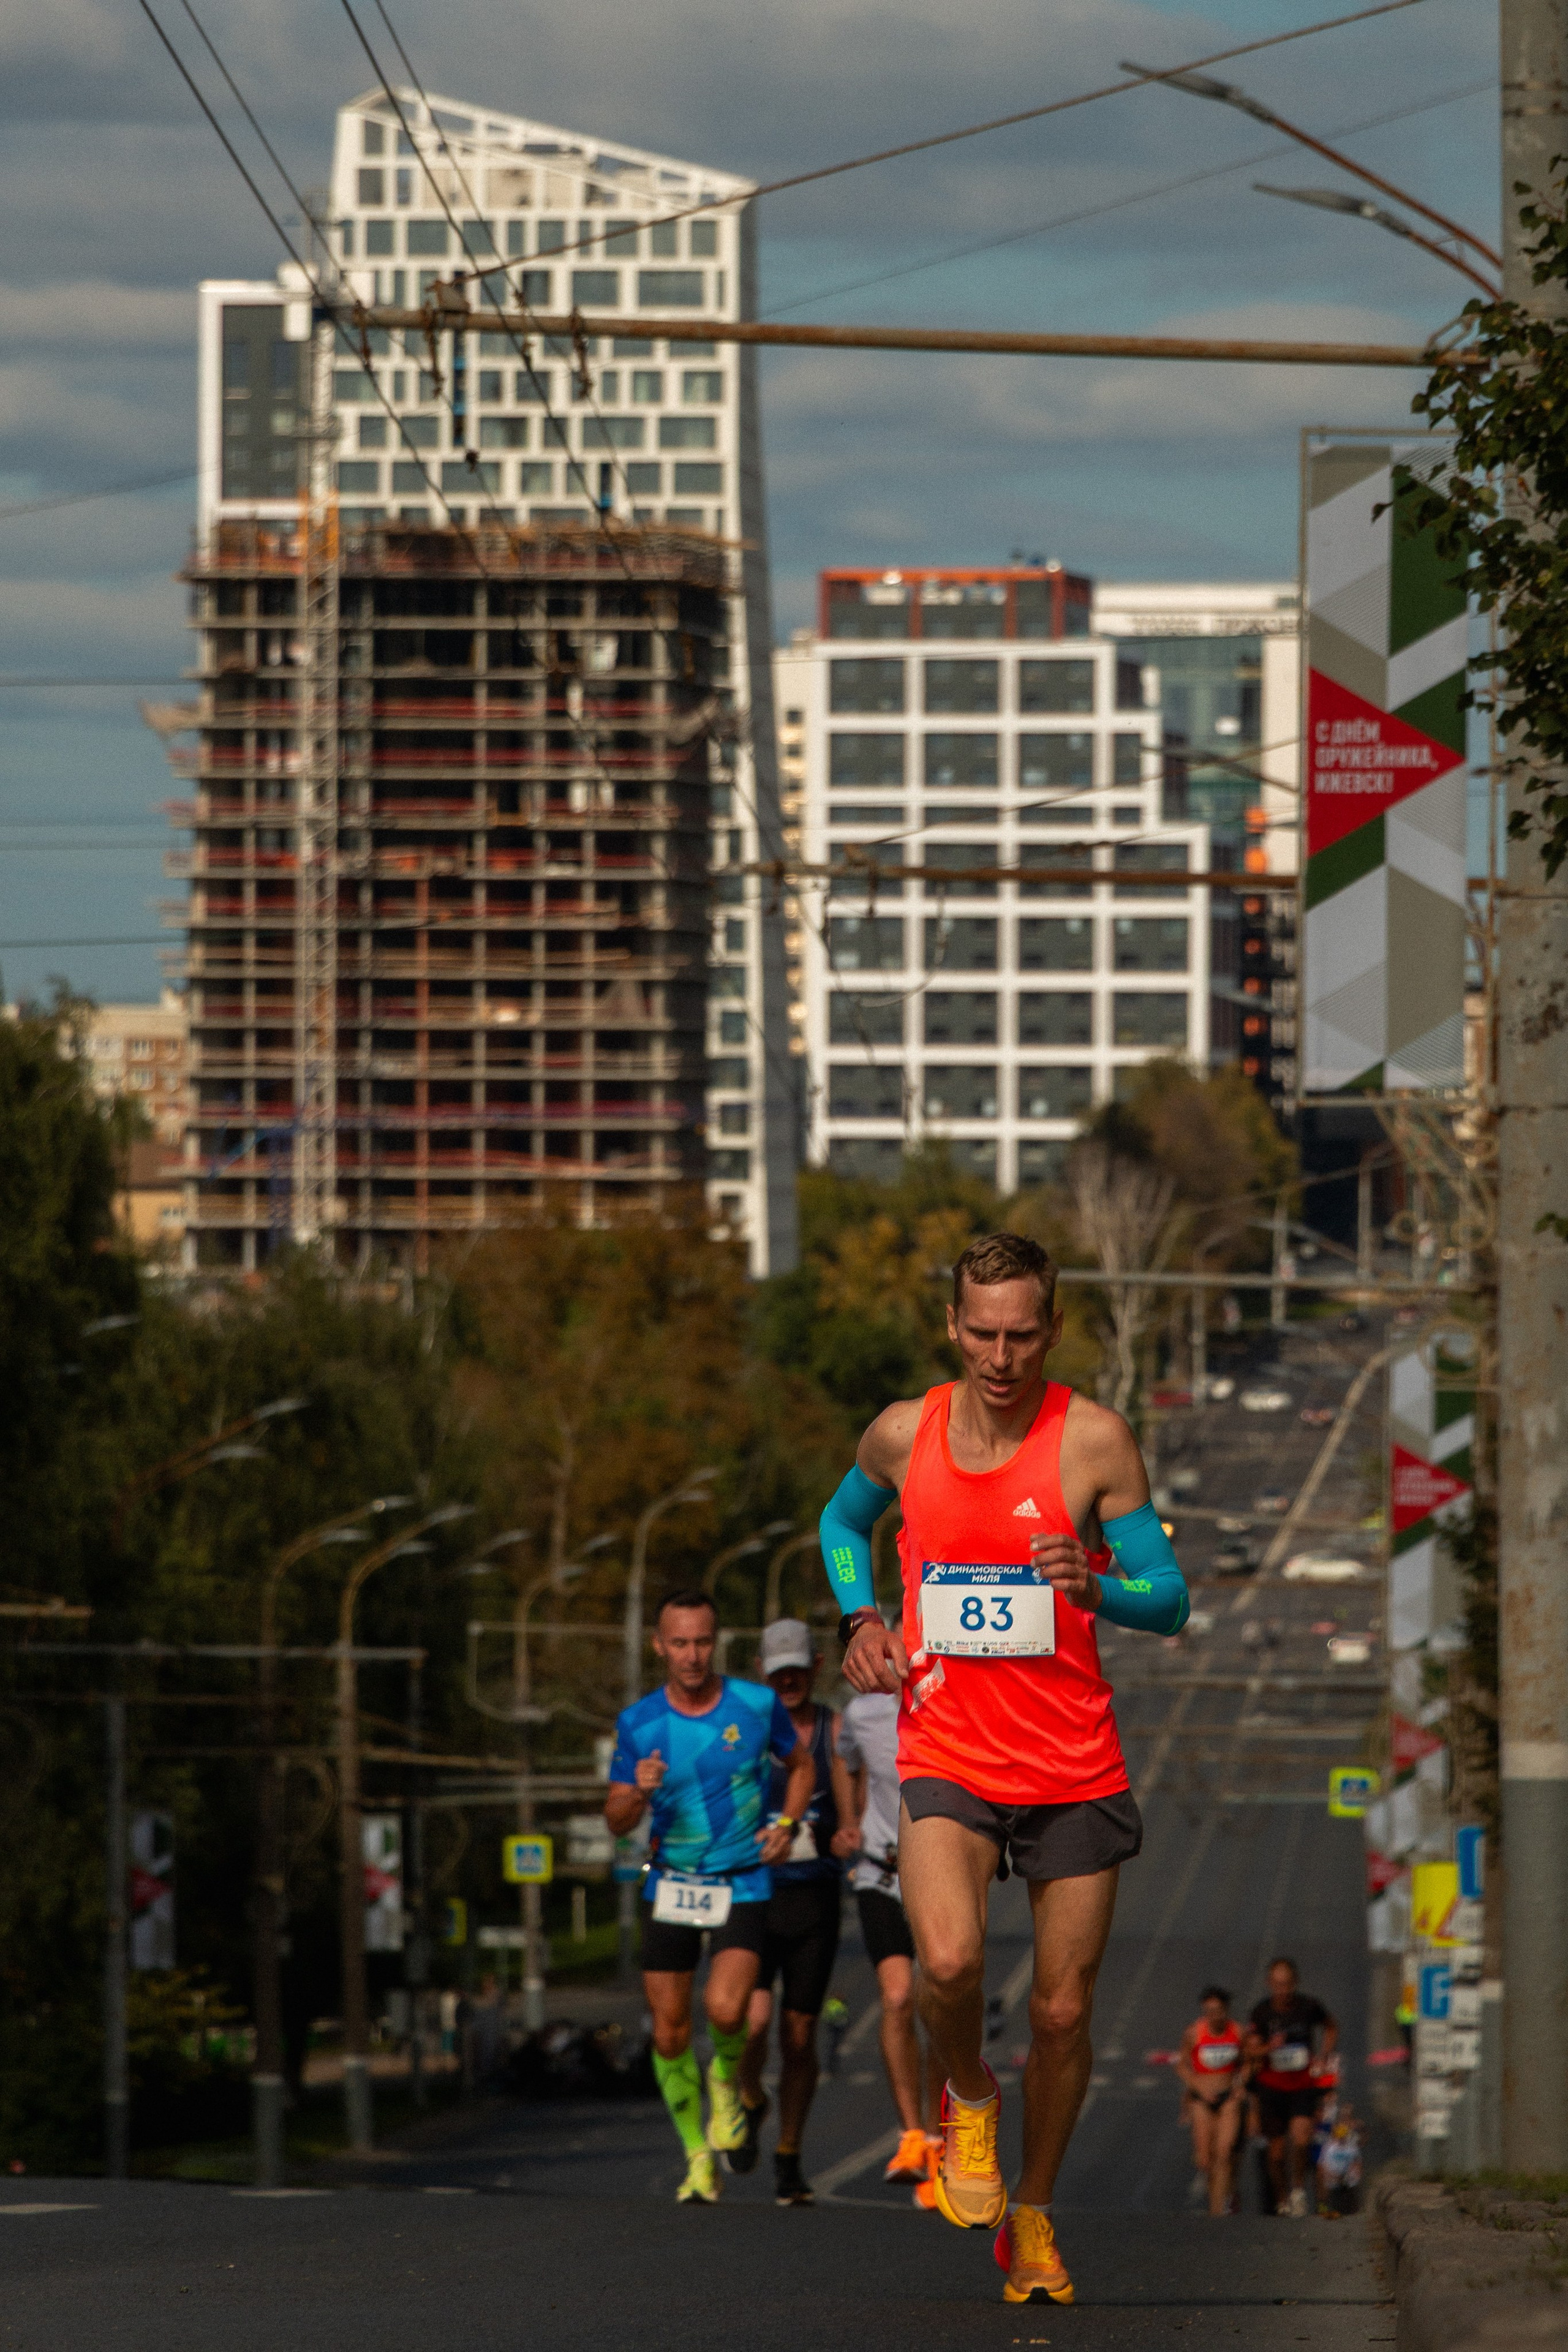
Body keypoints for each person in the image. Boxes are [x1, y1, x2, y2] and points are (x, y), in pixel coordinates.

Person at [820, 1230, 1189, 2305]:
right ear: (952, 1326)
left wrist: (1098, 1586)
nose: (1000, 1356)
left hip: (1073, 1762)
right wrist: (859, 1613)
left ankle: (1032, 2212)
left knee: (1065, 2014)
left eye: (1022, 1334)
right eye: (981, 1332)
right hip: (950, 1751)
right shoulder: (903, 1433)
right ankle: (968, 2100)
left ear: (1052, 1329)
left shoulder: (1095, 1443)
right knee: (945, 1963)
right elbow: (845, 1522)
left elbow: (1168, 1599)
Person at [604, 1589, 815, 2204]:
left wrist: (786, 1826)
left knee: (728, 2010)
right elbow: (616, 1819)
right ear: (659, 1646)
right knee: (669, 2033)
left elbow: (800, 1767)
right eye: (679, 1644)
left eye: (702, 1642)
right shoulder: (639, 1723)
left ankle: (726, 2087)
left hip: (742, 1880)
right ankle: (698, 2159)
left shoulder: (756, 1705)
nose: (692, 1656)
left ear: (715, 1643)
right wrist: (635, 1793)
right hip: (670, 1881)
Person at [728, 1619, 856, 2205]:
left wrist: (849, 1832)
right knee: (751, 2023)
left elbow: (855, 1796)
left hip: (813, 1899)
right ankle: (751, 2094)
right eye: (778, 1671)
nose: (789, 1681)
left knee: (799, 2036)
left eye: (798, 1670)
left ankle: (789, 2154)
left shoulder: (832, 1729)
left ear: (817, 1667)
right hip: (755, 1894)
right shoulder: (747, 1732)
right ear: (762, 1671)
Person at [837, 1675, 943, 2203]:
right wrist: (848, 1820)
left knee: (940, 2002)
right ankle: (913, 2138)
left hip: (940, 1875)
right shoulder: (863, 1713)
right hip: (881, 1871)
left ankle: (941, 2135)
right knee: (898, 1996)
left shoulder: (951, 1700)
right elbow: (845, 1759)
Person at [1245, 1957, 1339, 2218]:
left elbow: (1330, 2027)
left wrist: (1325, 2054)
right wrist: (1268, 2048)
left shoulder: (1309, 2007)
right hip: (1271, 2089)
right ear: (1269, 1984)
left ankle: (1298, 2188)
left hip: (1301, 2086)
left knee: (1301, 2139)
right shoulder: (1261, 2012)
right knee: (1275, 2155)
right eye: (1277, 1985)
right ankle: (1282, 2197)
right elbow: (1250, 2050)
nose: (1283, 1991)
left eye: (1287, 1985)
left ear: (1295, 1983)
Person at [1175, 1985, 1245, 2217]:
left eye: (1218, 2011)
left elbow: (1248, 2063)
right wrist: (1199, 2088)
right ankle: (1219, 2197)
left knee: (1224, 2153)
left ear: (1226, 2010)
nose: (1214, 2016)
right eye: (1209, 2011)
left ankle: (1219, 2211)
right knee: (1205, 2160)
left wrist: (1240, 2085)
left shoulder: (1237, 2032)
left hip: (1228, 2100)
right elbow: (1182, 2066)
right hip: (1202, 2100)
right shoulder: (1194, 2032)